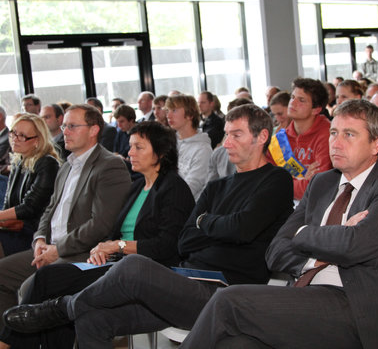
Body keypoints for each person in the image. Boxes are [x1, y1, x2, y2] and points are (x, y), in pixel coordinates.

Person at [3, 104, 294, 349]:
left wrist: (205, 222)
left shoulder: (276, 180)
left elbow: (241, 229)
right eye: (227, 134)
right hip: (186, 281)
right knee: (93, 318)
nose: (226, 142)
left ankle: (61, 307)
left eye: (236, 135)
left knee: (133, 266)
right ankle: (68, 308)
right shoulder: (217, 186)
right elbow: (186, 240)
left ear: (261, 136)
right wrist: (212, 227)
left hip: (226, 291)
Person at [175, 99, 378, 349]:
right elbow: (275, 251)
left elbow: (354, 245)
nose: (336, 142)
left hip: (360, 307)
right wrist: (316, 256)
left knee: (228, 301)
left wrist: (305, 235)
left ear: (376, 143)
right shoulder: (323, 183)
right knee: (233, 343)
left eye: (349, 135)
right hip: (307, 295)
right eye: (333, 132)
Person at [1, 121, 195, 349]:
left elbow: (167, 246)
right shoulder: (137, 187)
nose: (129, 152)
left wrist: (117, 246)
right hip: (115, 264)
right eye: (130, 146)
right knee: (48, 278)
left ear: (161, 153)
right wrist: (101, 249)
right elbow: (112, 233)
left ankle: (7, 344)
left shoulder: (174, 188)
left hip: (147, 271)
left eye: (138, 147)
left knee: (51, 284)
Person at [0, 104, 131, 332]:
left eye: (72, 126)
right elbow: (49, 210)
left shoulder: (109, 166)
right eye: (64, 126)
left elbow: (100, 225)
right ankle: (15, 337)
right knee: (2, 273)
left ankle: (17, 341)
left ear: (93, 130)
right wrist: (40, 241)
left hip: (83, 254)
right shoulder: (67, 165)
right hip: (50, 248)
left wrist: (58, 249)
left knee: (32, 287)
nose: (64, 132)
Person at [0, 114, 60, 258]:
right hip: (15, 228)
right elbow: (8, 203)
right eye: (14, 133)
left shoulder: (47, 163)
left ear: (37, 141)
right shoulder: (18, 161)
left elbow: (30, 207)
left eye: (22, 136)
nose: (15, 139)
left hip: (35, 235)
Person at [268, 78, 332, 201]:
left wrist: (284, 184)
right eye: (292, 97)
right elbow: (268, 183)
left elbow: (317, 188)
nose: (293, 103)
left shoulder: (328, 135)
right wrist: (302, 180)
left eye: (301, 100)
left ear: (316, 109)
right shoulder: (279, 139)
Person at [166, 94, 212, 200]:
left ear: (190, 114)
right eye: (168, 111)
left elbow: (190, 188)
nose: (168, 116)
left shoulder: (203, 149)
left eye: (174, 110)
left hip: (186, 207)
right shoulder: (170, 143)